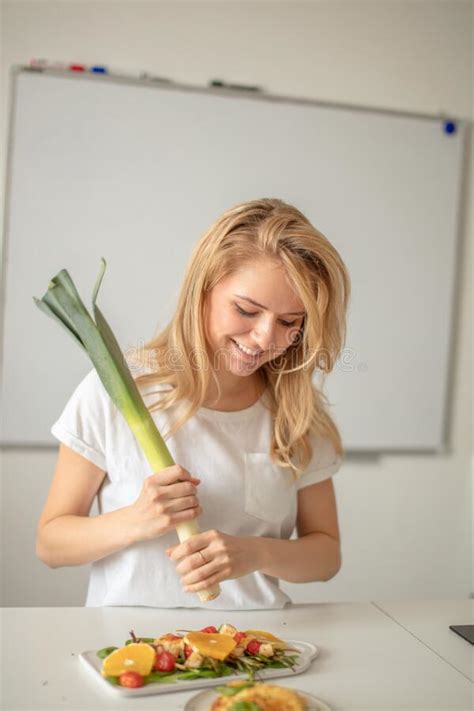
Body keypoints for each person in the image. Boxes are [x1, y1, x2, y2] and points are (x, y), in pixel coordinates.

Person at [36, 198, 350, 609]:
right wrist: (135, 520)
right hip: (132, 654)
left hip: (256, 647)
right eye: (246, 310)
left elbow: (326, 556)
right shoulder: (114, 391)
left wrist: (258, 553)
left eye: (290, 322)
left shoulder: (297, 414)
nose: (264, 338)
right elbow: (51, 544)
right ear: (203, 290)